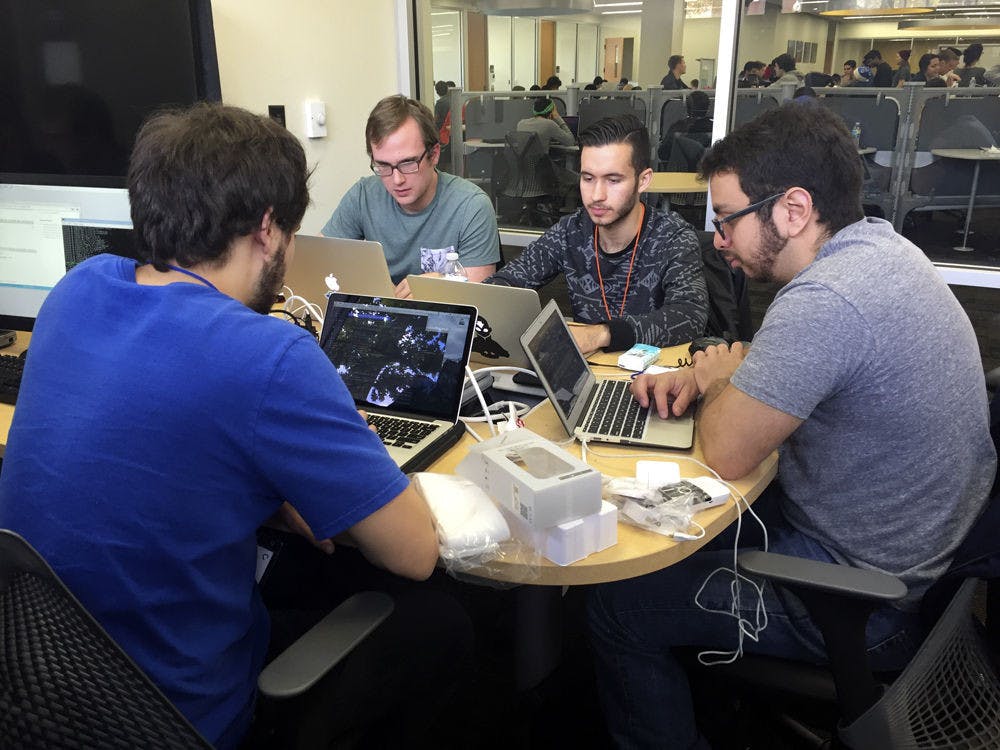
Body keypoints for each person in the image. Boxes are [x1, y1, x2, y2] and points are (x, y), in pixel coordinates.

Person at [0, 103, 475, 749]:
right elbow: (415, 553)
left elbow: (168, 442)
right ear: (268, 230)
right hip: (181, 720)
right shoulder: (269, 356)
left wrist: (277, 488)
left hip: (47, 690)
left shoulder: (77, 290)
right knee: (442, 621)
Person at [588, 102, 996, 750]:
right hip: (919, 556)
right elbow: (794, 366)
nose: (719, 240)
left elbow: (722, 452)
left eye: (727, 220)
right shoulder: (880, 251)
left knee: (616, 604)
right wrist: (707, 376)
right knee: (658, 546)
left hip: (861, 602)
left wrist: (720, 381)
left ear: (794, 210)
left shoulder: (823, 301)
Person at [485, 114, 707, 354]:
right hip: (588, 374)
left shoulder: (673, 236)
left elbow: (690, 314)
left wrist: (603, 333)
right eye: (588, 178)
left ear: (643, 181)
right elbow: (507, 282)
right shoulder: (571, 231)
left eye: (613, 180)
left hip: (651, 376)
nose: (597, 195)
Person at [322, 95, 499, 298]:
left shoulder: (472, 206)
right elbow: (319, 257)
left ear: (434, 155)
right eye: (383, 165)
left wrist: (443, 284)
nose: (397, 179)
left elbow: (480, 293)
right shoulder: (363, 195)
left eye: (407, 163)